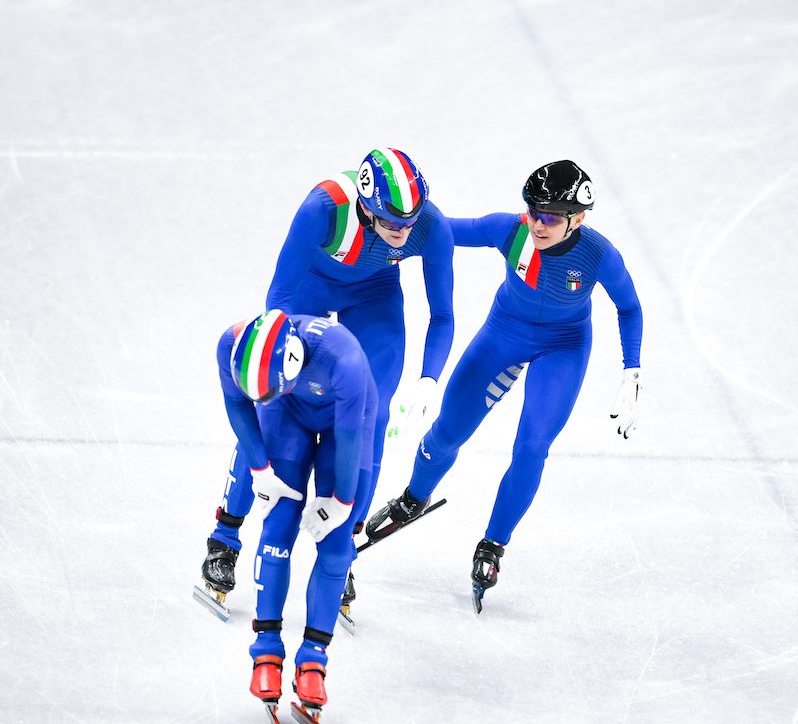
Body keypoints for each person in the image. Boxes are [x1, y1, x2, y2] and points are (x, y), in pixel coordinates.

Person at [365, 159, 644, 612]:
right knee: (446, 432)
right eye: (532, 210)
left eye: (550, 216)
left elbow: (629, 307)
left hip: (564, 347)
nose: (537, 222)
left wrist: (631, 369)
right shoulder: (510, 230)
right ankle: (413, 498)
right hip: (504, 333)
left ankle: (493, 544)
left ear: (579, 218)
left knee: (532, 447)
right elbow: (439, 232)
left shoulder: (597, 254)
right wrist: (383, 226)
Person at [199, 147, 456, 618]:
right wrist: (276, 356)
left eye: (411, 221)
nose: (403, 231)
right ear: (364, 204)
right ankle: (226, 535)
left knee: (372, 414)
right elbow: (277, 298)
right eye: (389, 221)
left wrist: (429, 379)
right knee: (273, 401)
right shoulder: (323, 208)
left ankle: (343, 546)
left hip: (375, 293)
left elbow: (442, 314)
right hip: (308, 290)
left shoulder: (428, 225)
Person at [215, 310, 376, 719]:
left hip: (347, 423)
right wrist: (259, 469)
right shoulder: (230, 343)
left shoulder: (346, 361)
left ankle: (313, 660)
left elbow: (352, 436)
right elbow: (238, 407)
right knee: (279, 526)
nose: (259, 399)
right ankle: (265, 651)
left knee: (337, 546)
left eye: (266, 392)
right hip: (286, 415)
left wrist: (340, 503)